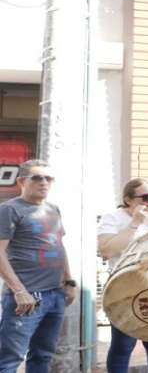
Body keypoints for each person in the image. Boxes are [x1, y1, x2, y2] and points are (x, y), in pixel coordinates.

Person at [0, 160, 76, 373]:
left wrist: (69, 282)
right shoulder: (9, 209)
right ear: (21, 181)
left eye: (48, 178)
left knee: (43, 356)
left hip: (55, 294)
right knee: (9, 360)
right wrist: (19, 291)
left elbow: (59, 246)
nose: (44, 182)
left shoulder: (53, 209)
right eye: (37, 177)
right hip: (27, 297)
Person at [97, 178, 148, 373]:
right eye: (146, 197)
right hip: (124, 287)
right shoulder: (113, 218)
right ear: (128, 200)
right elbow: (107, 250)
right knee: (123, 343)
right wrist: (135, 223)